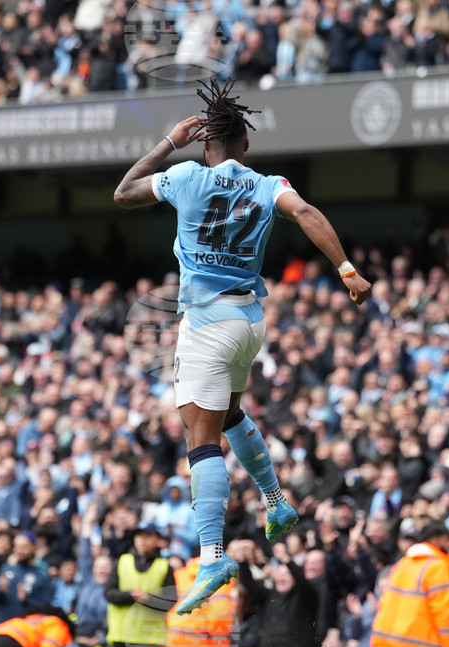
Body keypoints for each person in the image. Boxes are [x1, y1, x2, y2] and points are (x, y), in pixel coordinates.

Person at [113, 77, 372, 614]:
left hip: (206, 323)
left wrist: (168, 142)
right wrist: (346, 269)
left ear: (205, 143)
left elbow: (124, 192)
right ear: (246, 145)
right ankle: (276, 502)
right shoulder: (266, 184)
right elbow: (307, 215)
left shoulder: (185, 174)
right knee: (230, 414)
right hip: (249, 320)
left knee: (199, 436)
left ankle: (212, 556)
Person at [370, 521, 449, 647]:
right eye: (448, 540)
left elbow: (386, 600)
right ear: (438, 540)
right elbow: (444, 613)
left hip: (400, 645)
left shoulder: (404, 563)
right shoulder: (437, 567)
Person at [105, 522, 175, 647]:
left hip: (150, 640)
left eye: (147, 536)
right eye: (139, 536)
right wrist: (131, 596)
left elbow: (170, 601)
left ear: (157, 540)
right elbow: (109, 593)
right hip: (122, 638)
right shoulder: (121, 562)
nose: (142, 540)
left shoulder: (165, 567)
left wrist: (147, 599)